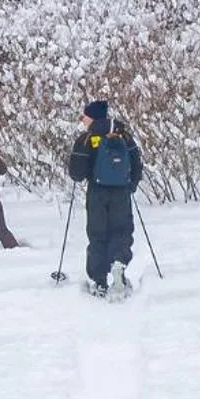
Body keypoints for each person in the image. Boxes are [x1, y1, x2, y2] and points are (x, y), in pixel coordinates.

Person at [67, 99, 144, 295]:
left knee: (97, 234)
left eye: (84, 115)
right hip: (121, 193)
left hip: (97, 193)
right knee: (122, 231)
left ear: (92, 117)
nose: (82, 119)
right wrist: (131, 185)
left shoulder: (87, 139)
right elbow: (136, 163)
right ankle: (119, 264)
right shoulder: (123, 135)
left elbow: (76, 173)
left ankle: (99, 281)